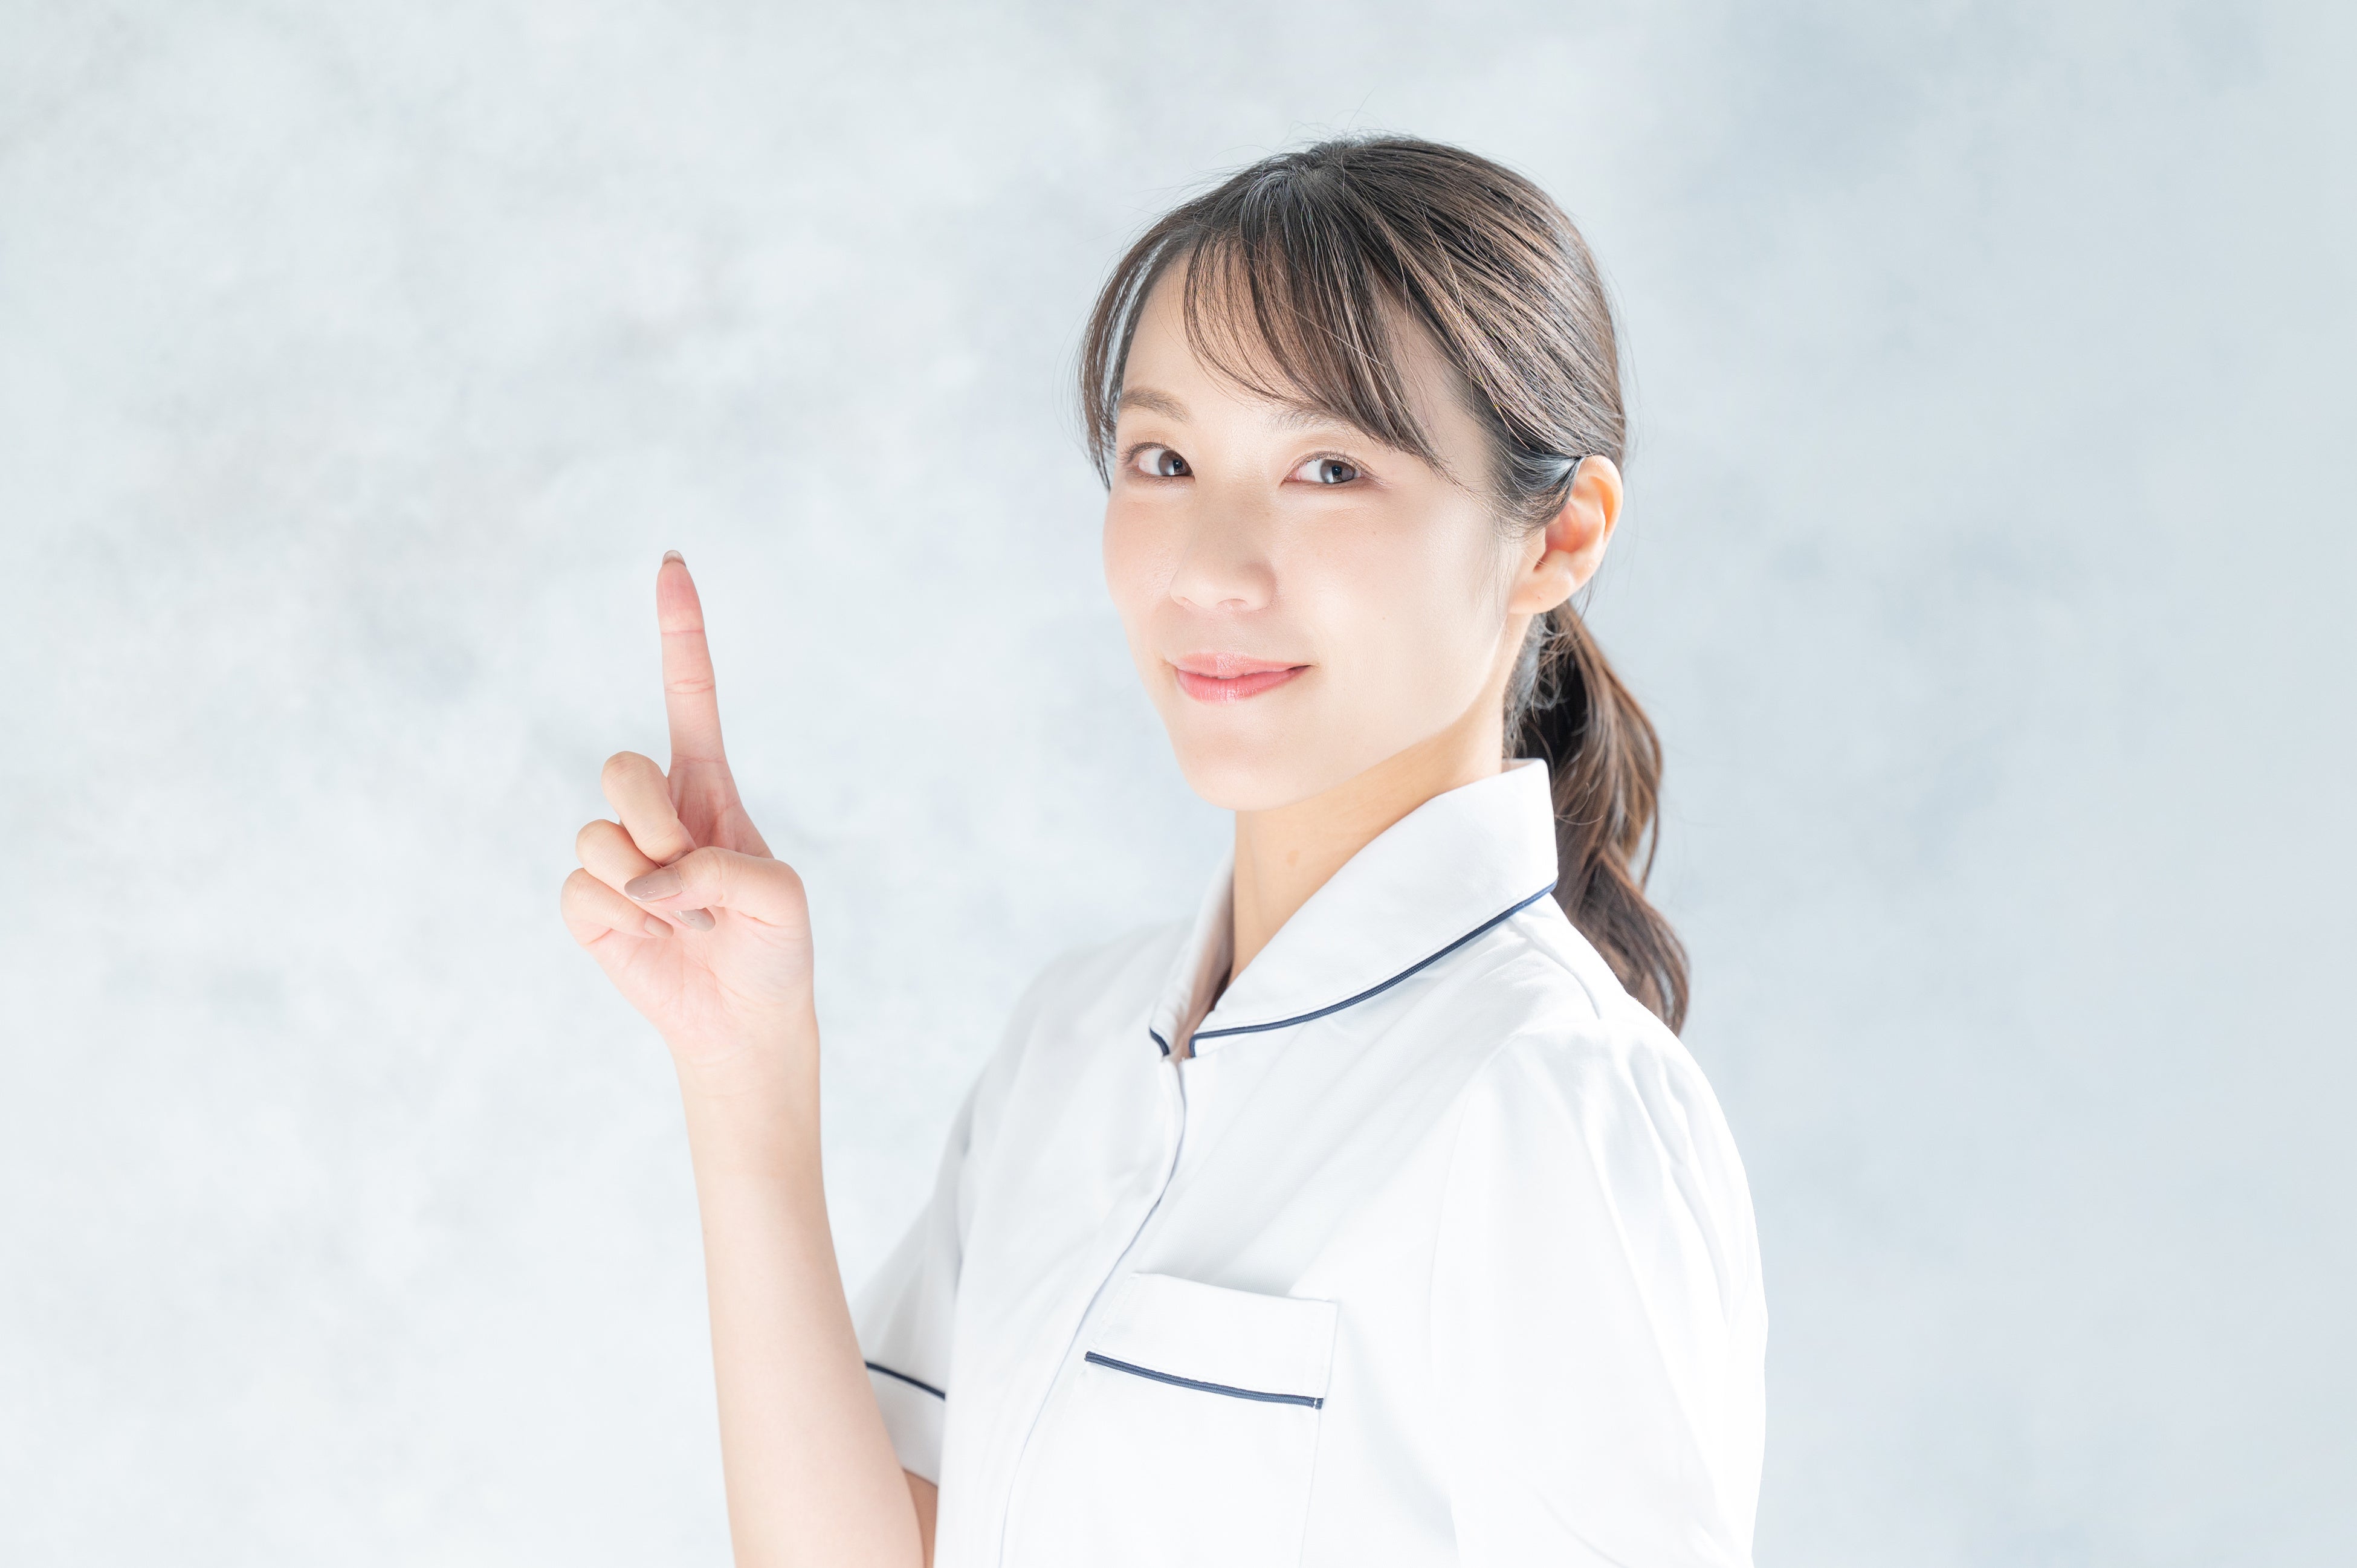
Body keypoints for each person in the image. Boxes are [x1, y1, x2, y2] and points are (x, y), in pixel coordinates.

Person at [561, 134, 1765, 1568]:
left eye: (1330, 467)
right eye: (1165, 459)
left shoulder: (1547, 1092)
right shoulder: (1077, 1039)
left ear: (1560, 535)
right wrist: (743, 1080)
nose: (1208, 566)